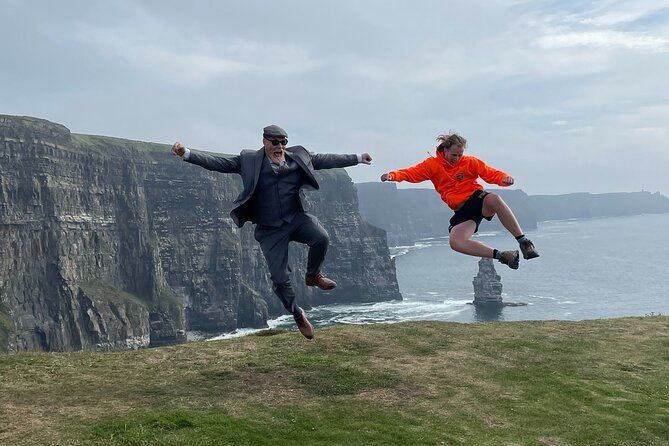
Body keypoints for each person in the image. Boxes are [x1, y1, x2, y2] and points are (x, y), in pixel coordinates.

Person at [172, 125, 372, 339]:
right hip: (270, 229)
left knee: (321, 237)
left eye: (283, 142)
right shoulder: (248, 160)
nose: (280, 147)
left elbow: (326, 160)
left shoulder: (298, 156)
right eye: (275, 142)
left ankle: (313, 275)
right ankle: (297, 314)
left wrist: (359, 157)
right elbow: (219, 164)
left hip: (296, 218)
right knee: (279, 279)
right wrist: (186, 154)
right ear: (264, 141)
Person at [380, 132, 538, 269]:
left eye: (460, 155)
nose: (457, 158)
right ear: (445, 150)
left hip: (477, 199)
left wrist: (504, 179)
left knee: (495, 199)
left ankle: (524, 243)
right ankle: (504, 256)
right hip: (462, 210)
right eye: (454, 155)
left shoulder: (470, 162)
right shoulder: (432, 165)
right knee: (456, 242)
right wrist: (392, 176)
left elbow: (489, 173)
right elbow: (410, 173)